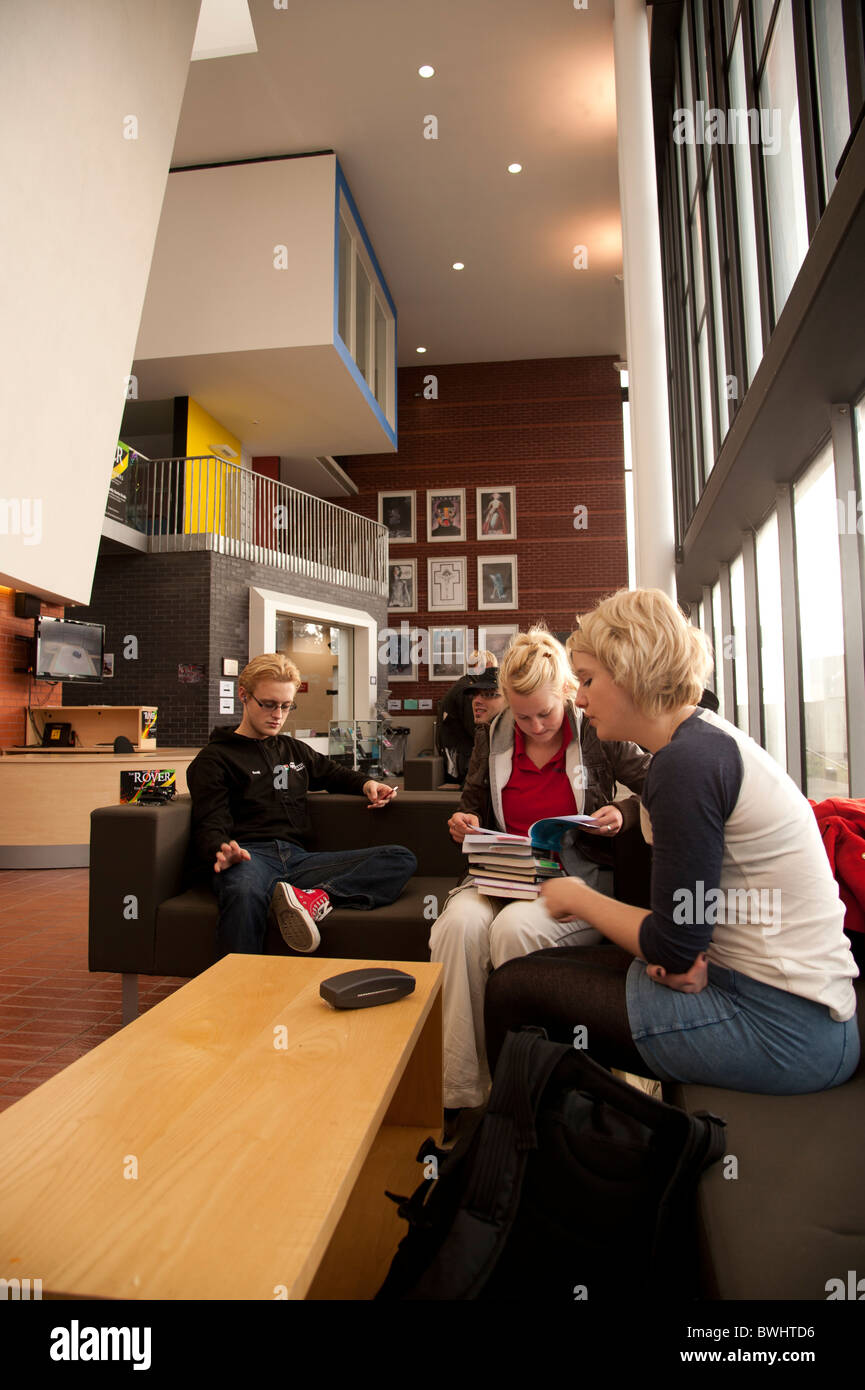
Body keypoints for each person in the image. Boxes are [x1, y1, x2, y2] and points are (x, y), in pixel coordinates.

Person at [484, 589, 860, 1095]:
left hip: (784, 1028)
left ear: (633, 673)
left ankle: (528, 1156)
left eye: (590, 680)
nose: (581, 698)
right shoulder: (695, 743)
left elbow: (674, 946)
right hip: (758, 994)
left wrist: (577, 898)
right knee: (534, 970)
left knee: (513, 992)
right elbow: (685, 934)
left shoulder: (686, 765)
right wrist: (680, 954)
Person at [429, 627, 652, 1110]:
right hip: (503, 871)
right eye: (521, 714)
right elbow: (472, 807)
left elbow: (657, 781)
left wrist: (626, 813)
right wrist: (464, 823)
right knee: (457, 927)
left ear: (567, 693)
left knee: (513, 931)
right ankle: (462, 1093)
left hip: (574, 878)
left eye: (545, 713)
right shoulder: (492, 735)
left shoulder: (596, 731)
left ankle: (528, 1093)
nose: (533, 726)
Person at [187, 654, 417, 956]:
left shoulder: (292, 749)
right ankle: (235, 994)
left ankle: (312, 898)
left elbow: (333, 773)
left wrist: (367, 784)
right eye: (268, 704)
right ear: (244, 695)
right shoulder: (214, 760)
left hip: (297, 860)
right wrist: (221, 848)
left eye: (286, 706)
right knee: (242, 892)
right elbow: (210, 820)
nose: (277, 715)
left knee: (399, 858)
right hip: (249, 857)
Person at [437, 650, 498, 786]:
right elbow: (475, 729)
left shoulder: (465, 685)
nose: (491, 676)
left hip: (459, 752)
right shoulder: (466, 690)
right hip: (461, 757)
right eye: (490, 669)